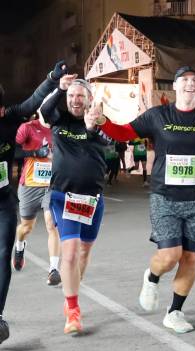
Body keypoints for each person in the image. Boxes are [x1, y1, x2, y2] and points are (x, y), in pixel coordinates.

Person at [100, 65, 195, 333]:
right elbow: (124, 132)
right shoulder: (158, 116)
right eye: (184, 80)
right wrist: (103, 122)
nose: (190, 84)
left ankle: (175, 312)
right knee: (170, 255)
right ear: (175, 86)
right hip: (165, 198)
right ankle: (152, 276)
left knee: (190, 259)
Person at [39, 75, 110, 335]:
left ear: (89, 99)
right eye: (71, 96)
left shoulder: (101, 121)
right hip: (63, 196)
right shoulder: (60, 118)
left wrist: (94, 127)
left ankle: (71, 293)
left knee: (83, 253)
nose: (75, 100)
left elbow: (113, 141)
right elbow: (46, 110)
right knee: (68, 253)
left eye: (80, 96)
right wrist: (59, 88)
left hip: (92, 199)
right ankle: (73, 310)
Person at [0, 60, 66, 343]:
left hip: (4, 201)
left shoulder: (10, 117)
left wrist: (52, 78)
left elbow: (33, 101)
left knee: (3, 255)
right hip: (27, 186)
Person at [13, 114, 62, 286]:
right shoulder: (27, 127)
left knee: (51, 223)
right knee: (25, 228)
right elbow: (12, 150)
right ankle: (19, 245)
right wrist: (35, 152)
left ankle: (54, 269)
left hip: (51, 186)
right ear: (40, 109)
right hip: (29, 185)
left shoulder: (60, 129)